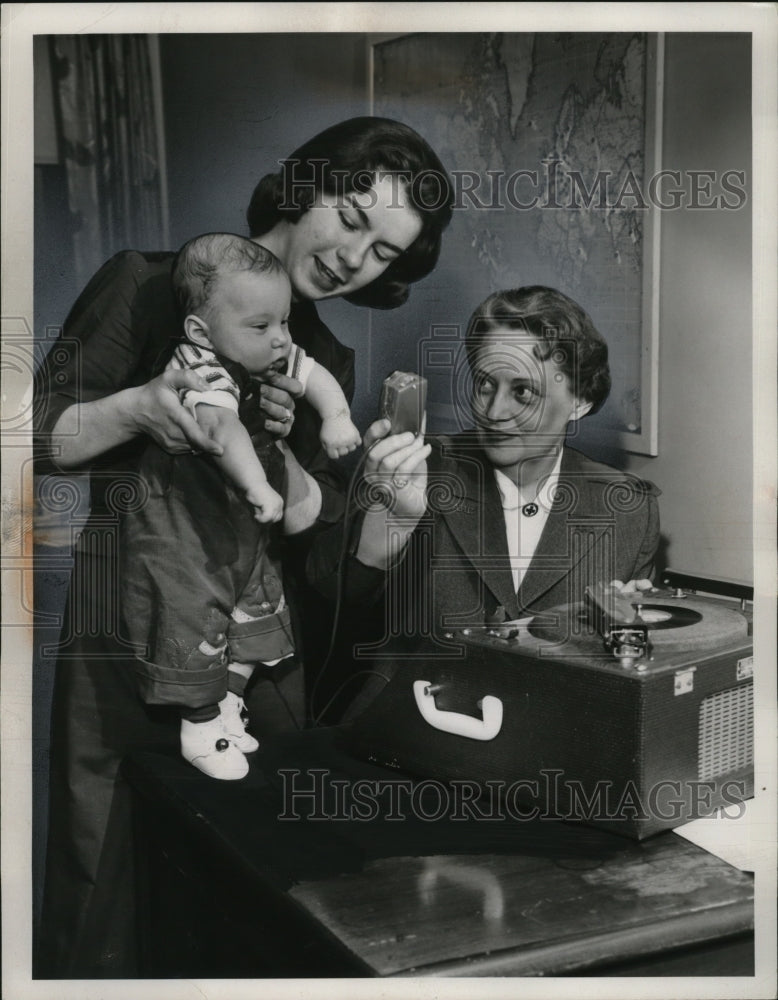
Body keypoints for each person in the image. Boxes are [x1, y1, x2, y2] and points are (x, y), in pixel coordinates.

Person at [34, 116, 452, 977]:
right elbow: (33, 439)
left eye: (383, 251)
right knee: (105, 867)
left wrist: (359, 490)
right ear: (307, 187)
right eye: (350, 213)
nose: (353, 255)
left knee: (256, 884)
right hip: (128, 619)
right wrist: (143, 408)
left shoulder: (322, 352)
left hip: (255, 634)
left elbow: (306, 536)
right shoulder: (148, 284)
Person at [311, 285, 660, 693]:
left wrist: (628, 618)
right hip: (418, 726)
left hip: (563, 731)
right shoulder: (415, 467)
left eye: (523, 392)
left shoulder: (628, 507)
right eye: (484, 385)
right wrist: (389, 524)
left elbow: (630, 665)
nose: (494, 413)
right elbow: (331, 618)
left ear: (580, 400)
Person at [123, 233, 362, 781]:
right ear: (201, 332)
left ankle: (229, 702)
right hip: (184, 527)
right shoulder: (201, 368)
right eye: (262, 327)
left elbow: (312, 374)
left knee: (256, 612)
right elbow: (223, 427)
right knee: (193, 617)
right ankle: (200, 724)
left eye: (284, 322)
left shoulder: (265, 350)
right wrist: (258, 486)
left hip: (242, 526)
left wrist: (335, 417)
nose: (280, 339)